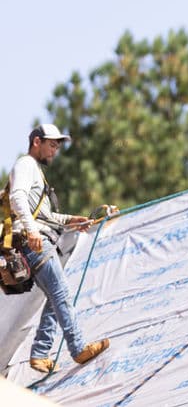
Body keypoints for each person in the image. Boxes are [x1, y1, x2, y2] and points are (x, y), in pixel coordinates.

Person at [6, 124, 110, 373]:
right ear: (36, 142)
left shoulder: (36, 172)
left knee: (56, 295)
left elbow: (46, 215)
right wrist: (31, 230)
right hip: (33, 241)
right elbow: (17, 199)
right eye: (52, 145)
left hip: (38, 238)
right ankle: (77, 348)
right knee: (61, 293)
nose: (54, 151)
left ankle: (40, 354)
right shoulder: (26, 164)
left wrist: (72, 219)